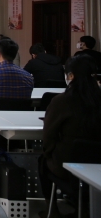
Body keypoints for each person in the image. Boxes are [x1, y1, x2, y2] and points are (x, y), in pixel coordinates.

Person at [39, 55, 101, 217]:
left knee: (42, 161)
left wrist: (49, 153)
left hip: (67, 164)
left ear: (71, 76)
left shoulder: (62, 101)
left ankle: (52, 210)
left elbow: (48, 136)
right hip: (98, 166)